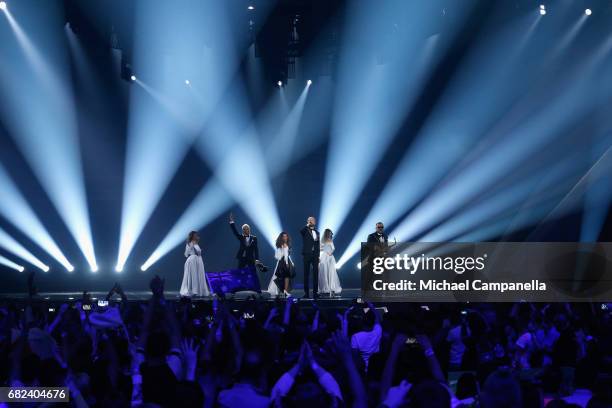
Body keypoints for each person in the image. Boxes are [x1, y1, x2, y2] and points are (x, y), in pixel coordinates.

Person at [180, 231, 210, 297]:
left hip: (196, 260)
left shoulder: (194, 243)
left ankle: (196, 290)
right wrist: (192, 247)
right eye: (195, 235)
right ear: (193, 236)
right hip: (194, 260)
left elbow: (194, 253)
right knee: (194, 275)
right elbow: (188, 254)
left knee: (197, 275)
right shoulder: (191, 243)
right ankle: (194, 290)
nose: (197, 236)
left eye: (197, 235)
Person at [267, 232, 295, 297]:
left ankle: (285, 291)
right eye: (283, 236)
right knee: (282, 276)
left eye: (286, 236)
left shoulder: (286, 244)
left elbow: (287, 255)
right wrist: (287, 262)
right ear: (281, 238)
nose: (285, 238)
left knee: (286, 276)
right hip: (282, 262)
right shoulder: (281, 245)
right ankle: (281, 291)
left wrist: (291, 261)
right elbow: (278, 256)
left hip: (286, 261)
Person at [300, 216, 320, 299]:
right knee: (306, 274)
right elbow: (301, 231)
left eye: (312, 220)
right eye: (309, 220)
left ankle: (315, 293)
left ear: (315, 222)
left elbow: (317, 244)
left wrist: (318, 255)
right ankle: (306, 293)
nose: (311, 221)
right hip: (307, 254)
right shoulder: (305, 230)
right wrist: (307, 225)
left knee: (315, 274)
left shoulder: (317, 232)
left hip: (315, 255)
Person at [318, 229, 341, 297]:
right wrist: (325, 250)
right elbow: (320, 248)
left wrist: (330, 253)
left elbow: (333, 248)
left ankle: (332, 287)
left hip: (330, 257)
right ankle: (325, 287)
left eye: (331, 233)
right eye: (330, 233)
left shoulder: (331, 240)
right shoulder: (322, 240)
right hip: (324, 256)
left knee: (331, 272)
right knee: (324, 272)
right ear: (327, 233)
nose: (331, 234)